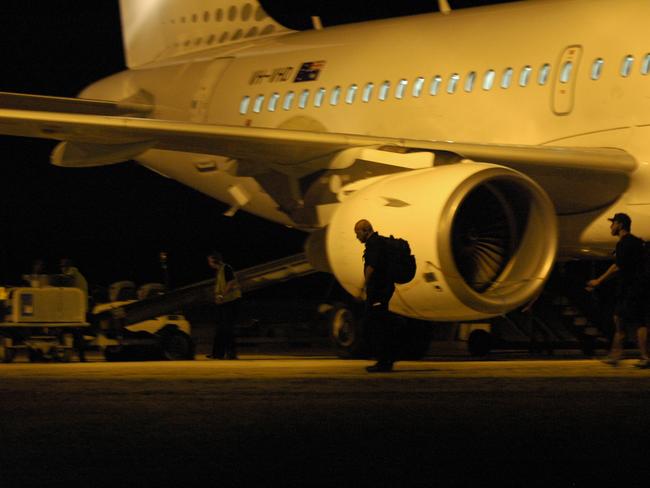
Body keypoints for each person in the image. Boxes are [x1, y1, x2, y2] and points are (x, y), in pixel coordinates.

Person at [586, 213, 649, 368]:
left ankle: (618, 356)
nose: (611, 227)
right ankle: (642, 357)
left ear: (620, 225)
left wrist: (598, 281)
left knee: (619, 321)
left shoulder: (623, 244)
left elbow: (617, 266)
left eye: (613, 223)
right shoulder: (637, 242)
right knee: (639, 323)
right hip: (640, 288)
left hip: (629, 289)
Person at [354, 219, 396, 373]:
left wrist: (362, 286)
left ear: (365, 230)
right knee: (379, 324)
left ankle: (384, 362)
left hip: (379, 291)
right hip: (382, 290)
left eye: (357, 233)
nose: (356, 237)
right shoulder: (378, 243)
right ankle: (385, 359)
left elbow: (372, 266)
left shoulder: (374, 244)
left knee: (378, 326)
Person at [206, 252, 241, 360]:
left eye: (209, 261)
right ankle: (218, 354)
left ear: (214, 260)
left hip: (230, 301)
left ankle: (231, 354)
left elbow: (231, 283)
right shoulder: (219, 271)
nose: (209, 263)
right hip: (224, 302)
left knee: (227, 329)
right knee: (221, 329)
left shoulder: (226, 268)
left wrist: (221, 295)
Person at [60, 258, 89, 362]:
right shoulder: (77, 275)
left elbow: (65, 286)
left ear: (67, 267)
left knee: (75, 332)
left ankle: (78, 355)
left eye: (63, 266)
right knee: (77, 333)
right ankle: (80, 356)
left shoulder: (71, 275)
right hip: (80, 308)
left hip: (77, 310)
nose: (62, 269)